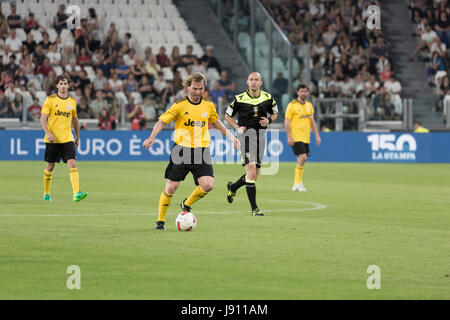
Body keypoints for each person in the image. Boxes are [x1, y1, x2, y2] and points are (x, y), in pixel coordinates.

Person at [142, 72, 240, 231]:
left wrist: (231, 137)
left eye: (201, 89)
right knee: (172, 187)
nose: (197, 92)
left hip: (201, 151)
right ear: (188, 87)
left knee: (208, 185)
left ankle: (186, 203)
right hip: (181, 151)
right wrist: (152, 137)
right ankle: (160, 221)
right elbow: (161, 122)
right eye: (194, 88)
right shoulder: (179, 105)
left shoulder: (208, 106)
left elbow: (217, 124)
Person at [225, 72, 278, 216]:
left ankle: (233, 187)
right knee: (252, 171)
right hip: (245, 138)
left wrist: (269, 121)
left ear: (261, 82)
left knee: (254, 175)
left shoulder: (268, 98)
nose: (254, 82)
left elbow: (274, 113)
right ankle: (254, 209)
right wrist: (237, 128)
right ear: (247, 82)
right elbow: (227, 115)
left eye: (256, 80)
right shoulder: (239, 99)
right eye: (251, 80)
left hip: (260, 137)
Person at [39, 75, 88, 202]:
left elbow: (75, 120)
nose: (63, 86)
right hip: (53, 139)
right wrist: (48, 133)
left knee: (72, 163)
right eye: (61, 83)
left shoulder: (72, 101)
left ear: (69, 85)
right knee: (50, 166)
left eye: (65, 83)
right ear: (57, 86)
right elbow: (43, 119)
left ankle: (76, 193)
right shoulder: (50, 100)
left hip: (67, 138)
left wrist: (77, 136)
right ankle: (46, 193)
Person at [284, 84, 321, 192]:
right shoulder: (292, 105)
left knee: (301, 159)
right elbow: (287, 121)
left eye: (305, 91)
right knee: (303, 157)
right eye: (302, 91)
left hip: (306, 137)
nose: (303, 93)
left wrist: (317, 135)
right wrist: (289, 136)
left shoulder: (309, 105)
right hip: (296, 137)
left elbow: (312, 121)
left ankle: (298, 183)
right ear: (297, 92)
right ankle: (297, 183)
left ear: (308, 93)